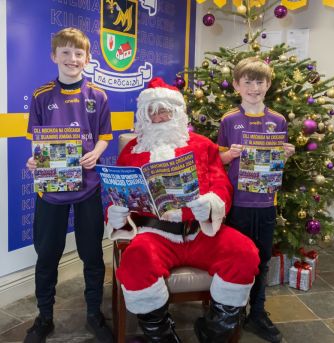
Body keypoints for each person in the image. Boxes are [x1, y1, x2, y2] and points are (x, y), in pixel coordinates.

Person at [106, 77, 260, 343]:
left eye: (166, 109)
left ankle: (213, 330)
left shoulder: (202, 145)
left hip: (201, 232)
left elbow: (222, 185)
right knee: (136, 260)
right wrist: (116, 212)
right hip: (155, 235)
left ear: (178, 112)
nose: (160, 116)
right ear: (144, 115)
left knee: (244, 252)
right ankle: (163, 336)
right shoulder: (131, 151)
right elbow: (117, 192)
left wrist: (211, 202)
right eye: (153, 111)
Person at [24, 27, 113, 343]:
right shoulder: (41, 95)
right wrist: (35, 161)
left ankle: (94, 314)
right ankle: (44, 317)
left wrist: (97, 154)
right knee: (47, 255)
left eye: (78, 54)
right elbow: (37, 140)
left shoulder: (98, 96)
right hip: (51, 189)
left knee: (91, 254)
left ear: (87, 58)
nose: (72, 59)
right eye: (66, 52)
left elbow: (104, 136)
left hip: (88, 186)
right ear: (54, 56)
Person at [217, 56, 295, 343]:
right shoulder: (229, 119)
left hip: (265, 204)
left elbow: (277, 166)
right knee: (238, 259)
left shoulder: (278, 120)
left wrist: (284, 155)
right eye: (247, 82)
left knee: (261, 260)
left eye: (259, 82)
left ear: (268, 85)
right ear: (237, 85)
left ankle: (257, 313)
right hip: (238, 204)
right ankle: (234, 312)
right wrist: (230, 154)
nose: (254, 87)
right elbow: (219, 159)